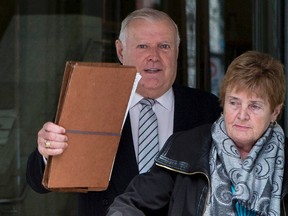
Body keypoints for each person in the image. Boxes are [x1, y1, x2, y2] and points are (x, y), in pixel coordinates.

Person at [26, 8, 222, 216]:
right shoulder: (92, 105)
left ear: (177, 51)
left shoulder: (207, 108)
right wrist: (48, 152)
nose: (154, 56)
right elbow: (36, 182)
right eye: (143, 46)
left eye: (164, 46)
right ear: (121, 51)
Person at [106, 50, 288, 216]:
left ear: (275, 112)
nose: (242, 115)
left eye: (254, 106)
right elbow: (129, 204)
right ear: (223, 102)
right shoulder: (186, 147)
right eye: (234, 102)